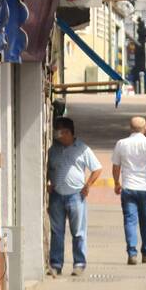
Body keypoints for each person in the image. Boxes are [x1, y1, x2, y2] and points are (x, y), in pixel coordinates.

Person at [46, 116, 102, 276]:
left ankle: (79, 263)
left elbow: (97, 168)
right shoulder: (53, 150)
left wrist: (88, 185)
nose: (57, 136)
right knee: (57, 232)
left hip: (76, 196)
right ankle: (56, 264)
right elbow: (48, 168)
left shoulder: (82, 148)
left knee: (78, 232)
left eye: (60, 133)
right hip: (57, 196)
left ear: (68, 132)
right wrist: (48, 183)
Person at [111, 116, 146, 264]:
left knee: (129, 221)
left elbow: (116, 167)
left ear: (130, 128)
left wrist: (116, 182)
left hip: (128, 187)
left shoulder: (121, 144)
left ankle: (132, 253)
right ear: (145, 127)